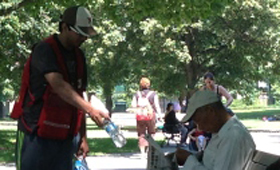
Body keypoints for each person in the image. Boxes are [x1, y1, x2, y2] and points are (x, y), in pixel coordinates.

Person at [11, 6, 110, 170]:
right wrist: (91, 110)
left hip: (65, 137)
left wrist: (82, 137)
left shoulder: (79, 57)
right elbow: (58, 84)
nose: (84, 38)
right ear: (65, 27)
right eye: (80, 33)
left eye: (86, 34)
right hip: (35, 134)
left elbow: (78, 96)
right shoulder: (44, 50)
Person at [176, 90, 256, 170]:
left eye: (199, 121)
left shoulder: (233, 136)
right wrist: (194, 156)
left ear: (210, 111)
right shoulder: (222, 132)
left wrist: (189, 160)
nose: (199, 128)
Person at [131, 77, 162, 158]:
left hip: (140, 116)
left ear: (140, 85)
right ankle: (149, 151)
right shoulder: (153, 94)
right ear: (149, 84)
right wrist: (160, 116)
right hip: (150, 115)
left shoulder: (137, 94)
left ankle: (142, 153)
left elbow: (133, 105)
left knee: (141, 134)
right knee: (151, 133)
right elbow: (157, 105)